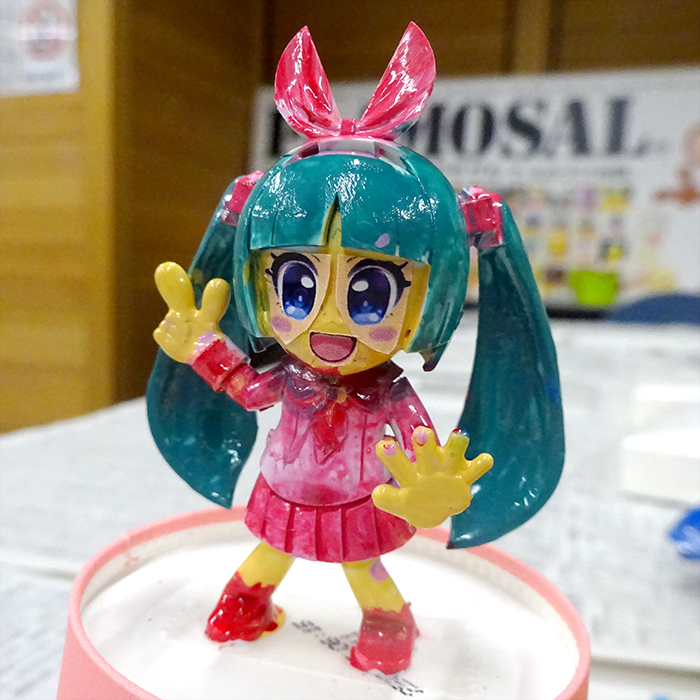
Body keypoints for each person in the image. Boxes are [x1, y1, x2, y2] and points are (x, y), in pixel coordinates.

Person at [147, 23, 564, 675]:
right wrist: (202, 346)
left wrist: (429, 495)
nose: (329, 321)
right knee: (269, 552)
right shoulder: (289, 373)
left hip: (355, 504)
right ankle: (245, 603)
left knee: (362, 567)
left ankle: (389, 622)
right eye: (296, 285)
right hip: (285, 489)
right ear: (258, 282)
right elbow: (249, 390)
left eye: (371, 293)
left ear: (430, 293)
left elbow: (419, 455)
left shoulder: (388, 394)